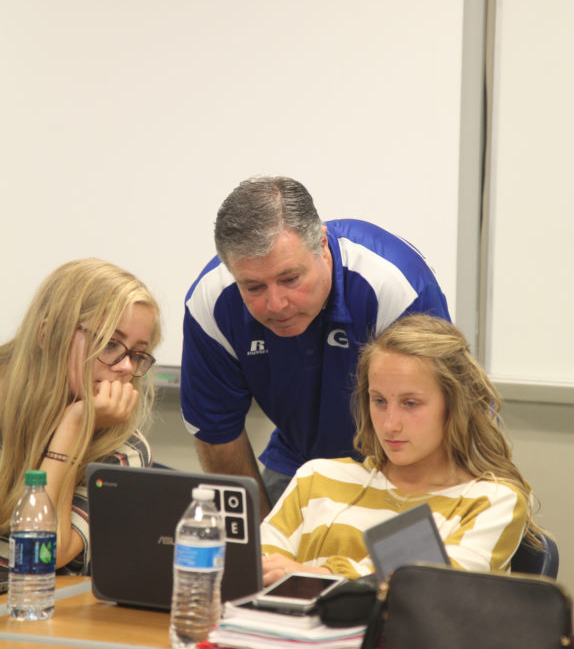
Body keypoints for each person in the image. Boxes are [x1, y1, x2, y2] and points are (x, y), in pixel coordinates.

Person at [181, 176, 450, 518]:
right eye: (253, 288)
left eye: (290, 279)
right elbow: (217, 433)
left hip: (409, 460)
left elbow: (438, 419)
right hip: (303, 460)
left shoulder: (392, 286)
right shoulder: (211, 304)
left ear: (322, 245)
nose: (276, 304)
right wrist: (262, 549)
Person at [261, 314, 540, 586]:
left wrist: (311, 575)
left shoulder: (491, 500)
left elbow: (421, 589)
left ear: (455, 407)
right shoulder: (317, 478)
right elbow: (259, 568)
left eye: (410, 403)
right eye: (379, 401)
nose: (389, 425)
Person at [0, 258, 161, 574]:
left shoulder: (127, 449)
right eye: (111, 343)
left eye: (137, 353)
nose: (127, 367)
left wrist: (74, 428)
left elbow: (40, 558)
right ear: (48, 335)